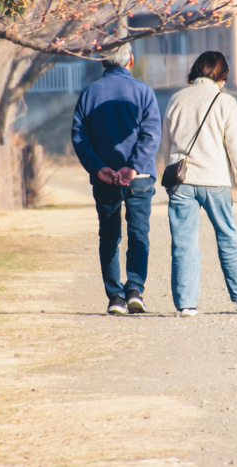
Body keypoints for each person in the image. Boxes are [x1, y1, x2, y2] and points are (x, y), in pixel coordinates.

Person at [161, 50, 237, 317]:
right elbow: (236, 149)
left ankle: (186, 304)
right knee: (227, 236)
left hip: (181, 182)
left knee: (183, 243)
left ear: (196, 72)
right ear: (221, 76)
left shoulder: (176, 99)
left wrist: (170, 172)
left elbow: (166, 146)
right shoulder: (225, 102)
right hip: (215, 181)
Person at [71, 44, 161, 315]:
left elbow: (79, 137)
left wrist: (99, 168)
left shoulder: (89, 94)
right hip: (140, 177)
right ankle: (135, 290)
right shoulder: (144, 92)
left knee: (109, 237)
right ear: (131, 60)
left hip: (105, 178)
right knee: (138, 233)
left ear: (102, 62)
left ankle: (115, 297)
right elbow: (151, 134)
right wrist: (132, 167)